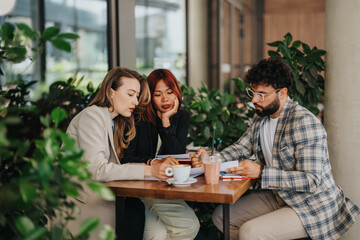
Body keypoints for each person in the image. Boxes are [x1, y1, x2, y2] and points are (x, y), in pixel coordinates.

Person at [191, 58, 360, 240]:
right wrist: (210, 158)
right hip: (279, 195)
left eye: (262, 94)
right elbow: (241, 147)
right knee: (222, 216)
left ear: (283, 93)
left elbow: (311, 180)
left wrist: (262, 172)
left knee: (250, 232)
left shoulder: (303, 122)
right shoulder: (261, 117)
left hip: (311, 204)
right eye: (253, 92)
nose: (254, 100)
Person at [66, 67, 174, 240]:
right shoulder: (92, 116)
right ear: (111, 92)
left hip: (99, 202)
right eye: (130, 94)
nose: (136, 102)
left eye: (137, 95)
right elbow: (96, 169)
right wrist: (149, 170)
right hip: (81, 207)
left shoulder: (112, 121)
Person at [123, 69, 199, 240]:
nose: (165, 99)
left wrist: (166, 123)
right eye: (158, 94)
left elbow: (178, 156)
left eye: (169, 92)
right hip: (141, 184)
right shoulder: (137, 117)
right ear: (149, 96)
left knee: (158, 234)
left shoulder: (181, 117)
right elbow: (125, 158)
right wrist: (152, 163)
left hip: (165, 187)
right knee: (188, 225)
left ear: (177, 93)